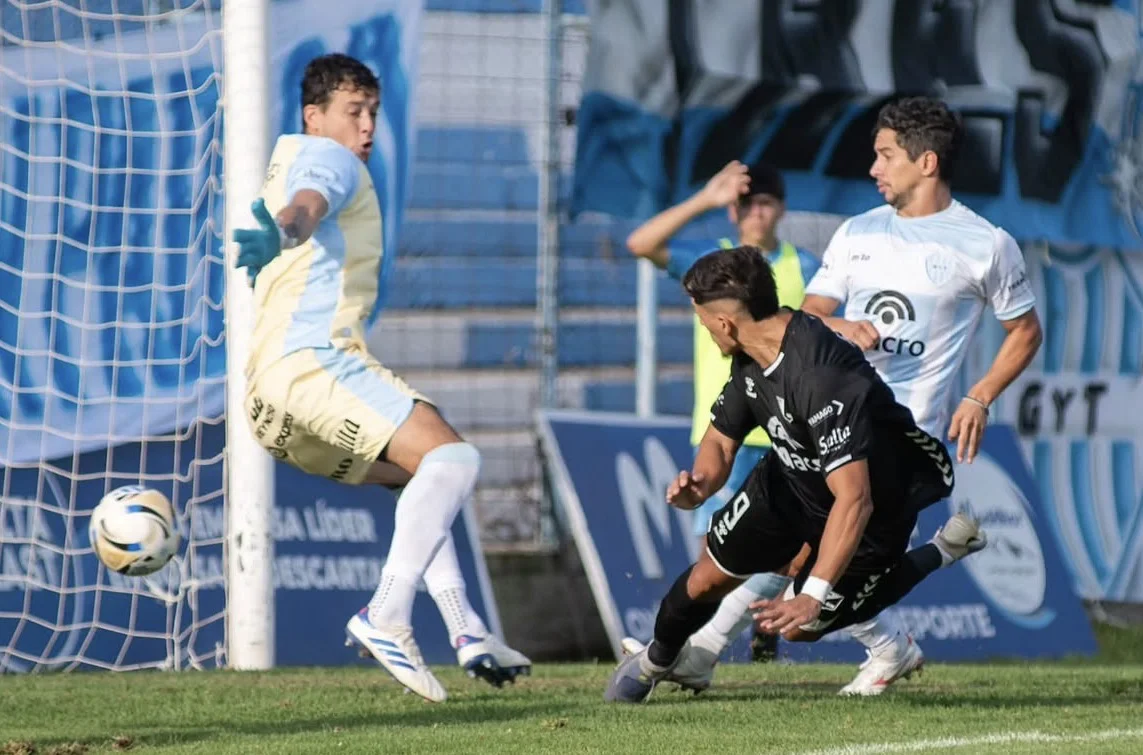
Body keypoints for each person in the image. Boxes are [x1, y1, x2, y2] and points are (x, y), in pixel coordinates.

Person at [644, 96, 1044, 696]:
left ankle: (893, 615)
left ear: (927, 161)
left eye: (885, 155)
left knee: (814, 581)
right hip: (819, 415)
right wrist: (843, 329)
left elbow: (1025, 330)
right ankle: (711, 650)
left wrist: (981, 395)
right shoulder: (858, 233)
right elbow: (809, 315)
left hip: (899, 435)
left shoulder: (984, 245)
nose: (873, 168)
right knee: (794, 556)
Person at [231, 53, 530, 703]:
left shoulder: (286, 159)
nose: (366, 127)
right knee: (453, 458)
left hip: (267, 404)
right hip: (312, 365)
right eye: (352, 112)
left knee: (426, 475)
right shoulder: (326, 157)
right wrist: (288, 229)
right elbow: (308, 204)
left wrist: (284, 229)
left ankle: (464, 627)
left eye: (372, 113)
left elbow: (302, 206)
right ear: (315, 117)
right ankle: (386, 614)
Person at [604, 246, 987, 704]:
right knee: (708, 576)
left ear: (724, 323)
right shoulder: (751, 349)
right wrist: (701, 485)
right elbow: (721, 439)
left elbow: (855, 500)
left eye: (703, 322)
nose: (705, 331)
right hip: (790, 482)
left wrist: (815, 594)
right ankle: (654, 662)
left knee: (803, 625)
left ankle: (940, 552)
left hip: (875, 510)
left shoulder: (820, 375)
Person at [626, 160, 819, 660]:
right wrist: (704, 198)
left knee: (796, 546)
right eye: (745, 204)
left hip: (789, 432)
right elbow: (640, 244)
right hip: (724, 430)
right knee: (716, 547)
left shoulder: (807, 266)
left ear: (780, 208)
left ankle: (756, 641)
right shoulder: (714, 265)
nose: (756, 213)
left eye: (765, 203)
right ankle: (694, 647)